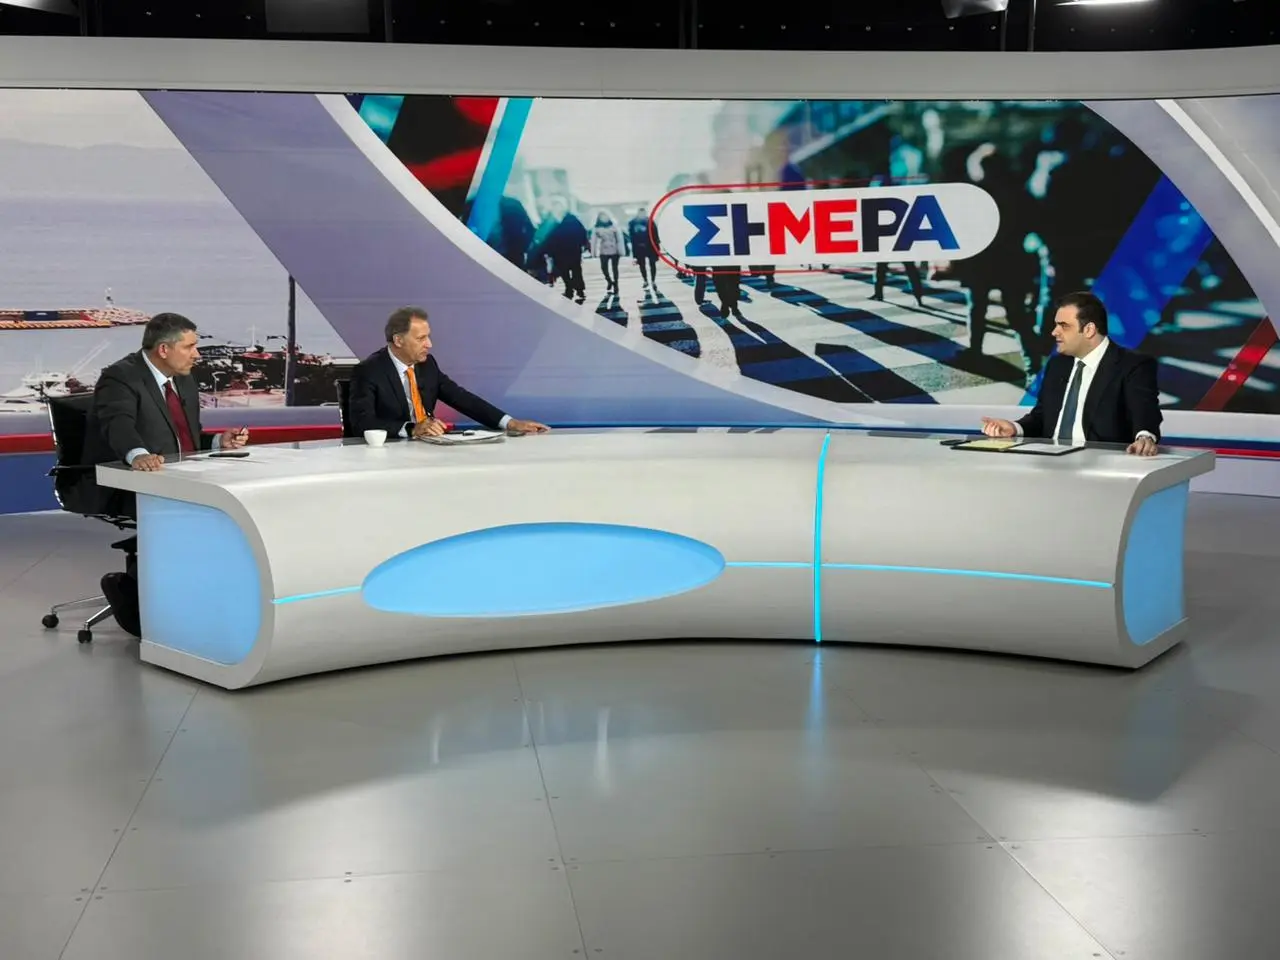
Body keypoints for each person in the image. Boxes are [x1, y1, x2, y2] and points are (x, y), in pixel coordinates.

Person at [81, 312, 250, 635]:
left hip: (179, 477)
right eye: (189, 347)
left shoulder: (182, 378)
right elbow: (118, 425)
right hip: (124, 480)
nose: (197, 354)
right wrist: (138, 455)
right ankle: (136, 595)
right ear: (163, 349)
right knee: (196, 518)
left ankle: (203, 600)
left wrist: (218, 441)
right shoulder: (120, 377)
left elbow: (182, 440)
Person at [979, 291, 1161, 456]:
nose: (1054, 332)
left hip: (1101, 465)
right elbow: (1042, 417)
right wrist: (1015, 427)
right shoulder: (1057, 364)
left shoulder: (1132, 365)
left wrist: (1144, 437)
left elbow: (1144, 412)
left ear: (1089, 330)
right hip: (1050, 461)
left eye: (1064, 326)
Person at [348, 306, 548, 439]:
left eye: (428, 337)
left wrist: (509, 423)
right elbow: (362, 423)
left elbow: (461, 398)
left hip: (429, 448)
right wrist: (412, 429)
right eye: (421, 338)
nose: (429, 344)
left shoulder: (427, 364)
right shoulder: (369, 371)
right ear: (398, 340)